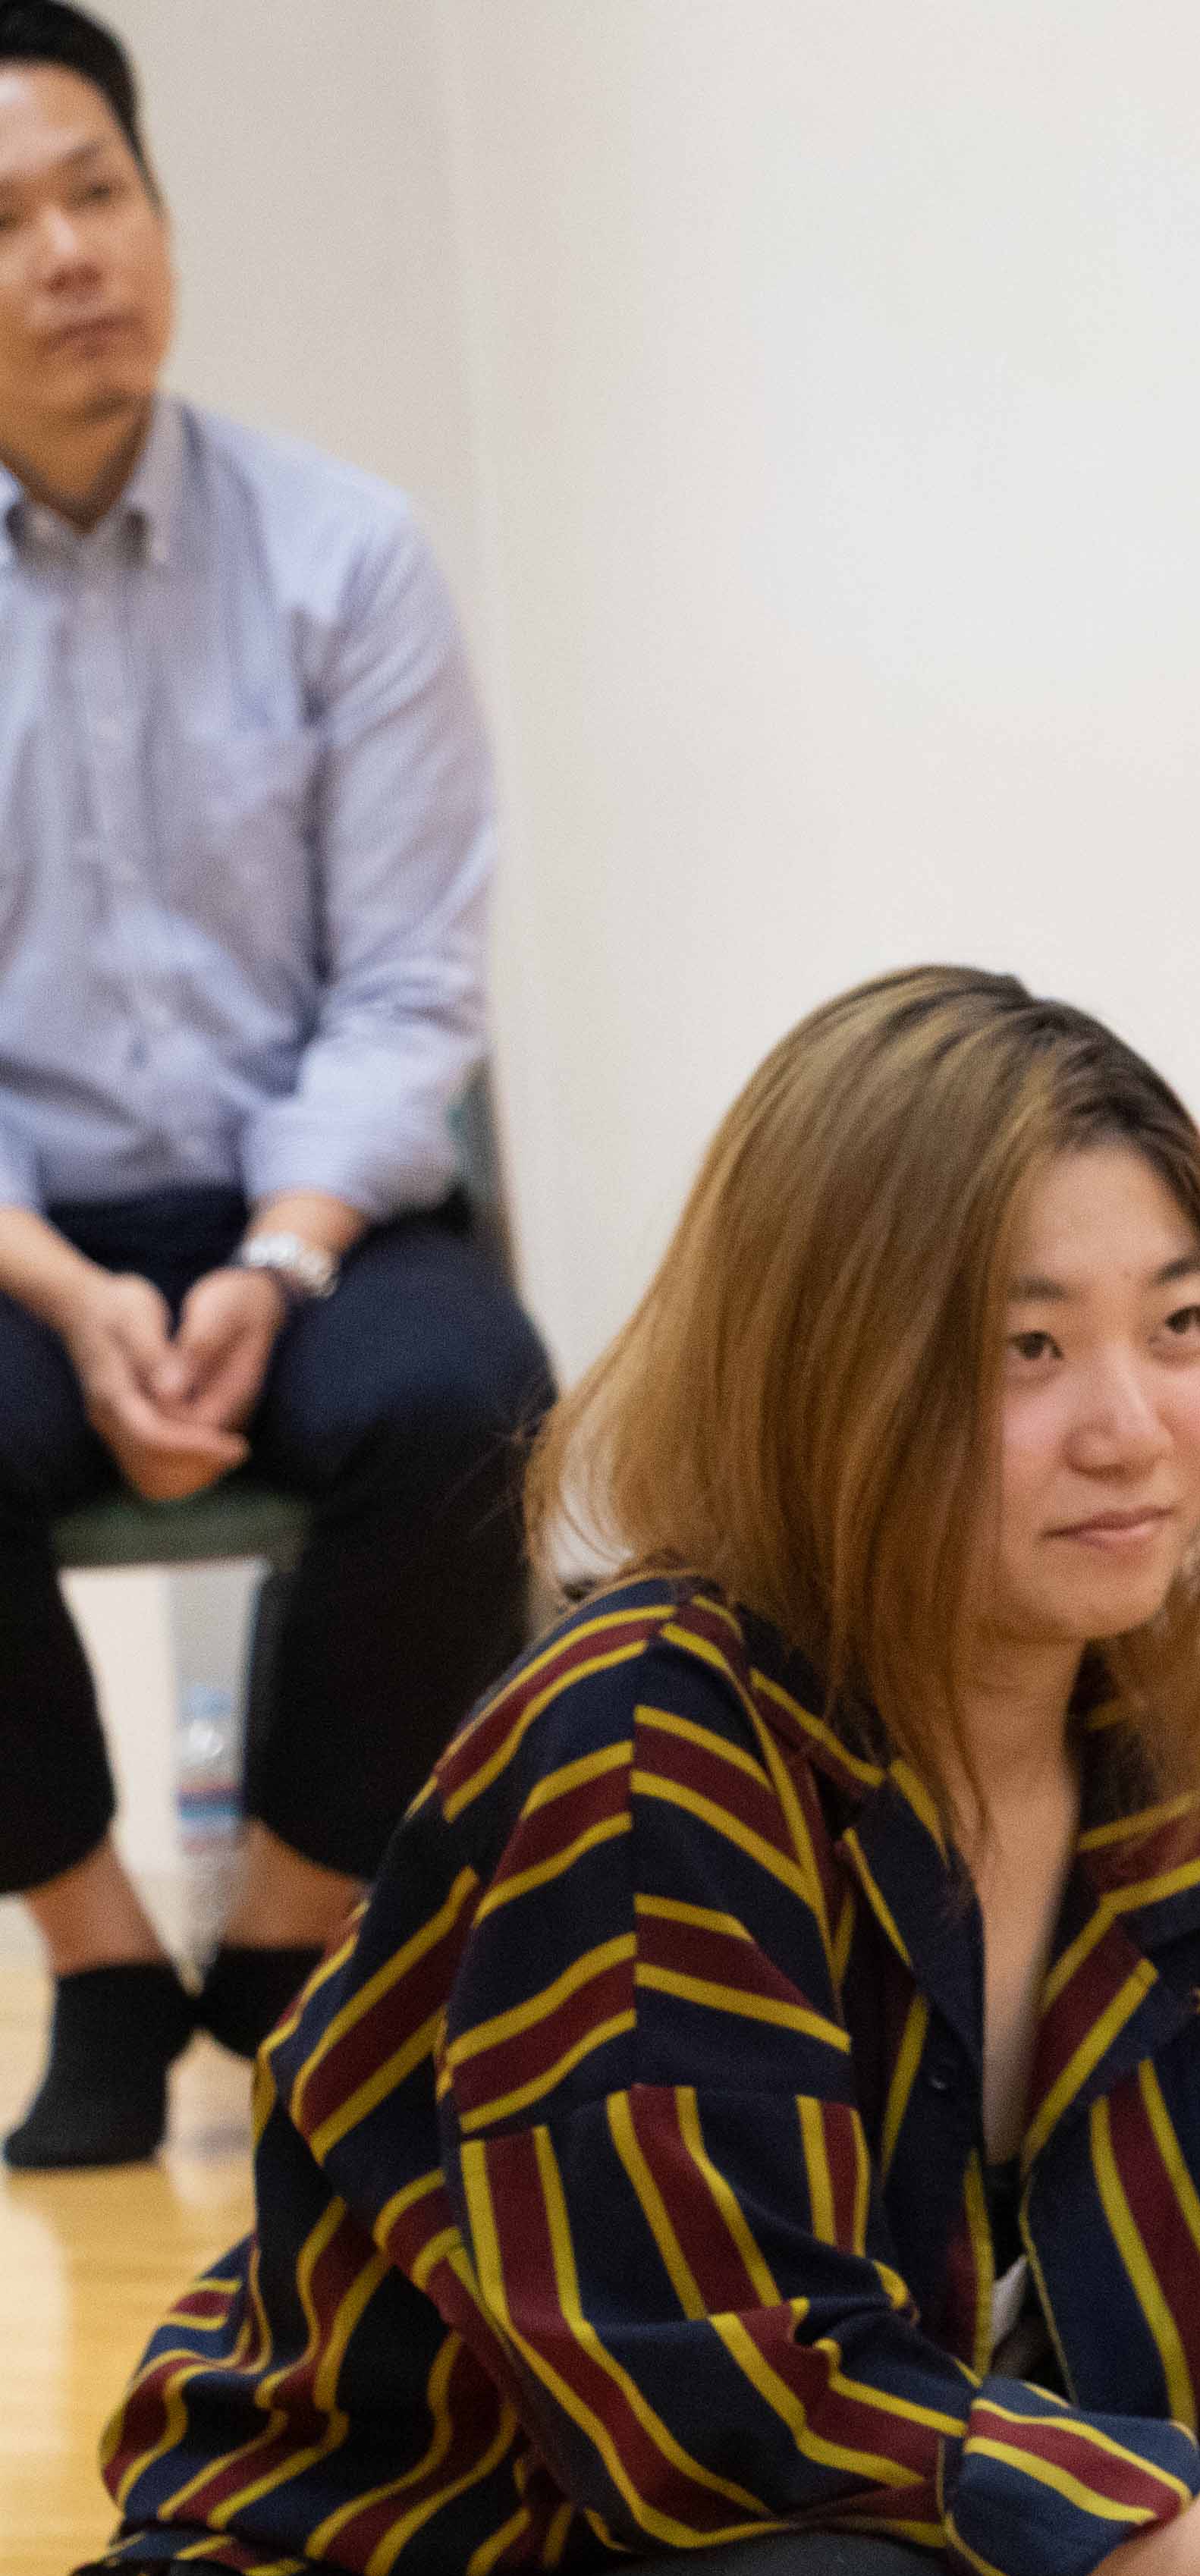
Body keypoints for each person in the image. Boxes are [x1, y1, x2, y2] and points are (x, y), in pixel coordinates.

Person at [59, 971, 1200, 2576]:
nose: (1132, 1422)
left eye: (1179, 1326)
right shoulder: (645, 1737)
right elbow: (737, 2424)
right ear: (833, 1369)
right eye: (1024, 1348)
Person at [0, 0, 555, 2167]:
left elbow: (411, 986)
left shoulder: (347, 552)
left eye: (99, 192)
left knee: (467, 1403)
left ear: (158, 210)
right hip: (30, 1226)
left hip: (312, 1199)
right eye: (7, 221)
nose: (70, 253)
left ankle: (286, 1941)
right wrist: (64, 1290)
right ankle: (97, 1954)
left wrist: (277, 1255)